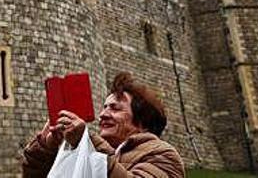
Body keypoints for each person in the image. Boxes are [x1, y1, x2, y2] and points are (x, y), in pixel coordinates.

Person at [21, 72, 185, 178]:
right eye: (104, 107)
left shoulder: (164, 155)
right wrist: (45, 147)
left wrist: (87, 142)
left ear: (142, 119)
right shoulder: (93, 151)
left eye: (115, 108)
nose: (103, 114)